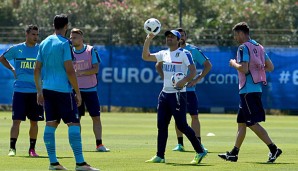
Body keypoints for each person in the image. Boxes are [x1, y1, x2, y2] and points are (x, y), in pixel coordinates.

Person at [34, 14, 99, 171]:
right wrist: (78, 92)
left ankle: (53, 163)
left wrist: (39, 91)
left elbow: (37, 69)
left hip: (47, 89)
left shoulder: (43, 43)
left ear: (53, 24)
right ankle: (80, 163)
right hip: (63, 90)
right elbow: (70, 70)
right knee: (73, 124)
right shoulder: (65, 44)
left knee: (50, 124)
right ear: (66, 26)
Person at [218, 22, 282, 163]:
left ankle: (273, 149)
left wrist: (233, 63)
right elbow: (270, 67)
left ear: (241, 34)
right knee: (241, 123)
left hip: (248, 90)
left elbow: (244, 69)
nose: (235, 38)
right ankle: (234, 153)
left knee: (251, 123)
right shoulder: (259, 46)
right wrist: (258, 68)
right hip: (255, 89)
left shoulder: (243, 47)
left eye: (236, 34)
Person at [142, 30, 207, 164]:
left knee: (182, 125)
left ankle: (200, 150)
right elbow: (146, 56)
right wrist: (148, 39)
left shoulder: (185, 53)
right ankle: (160, 155)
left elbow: (193, 70)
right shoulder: (164, 53)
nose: (169, 39)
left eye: (172, 37)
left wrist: (184, 81)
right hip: (164, 94)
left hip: (178, 94)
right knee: (161, 125)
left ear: (179, 40)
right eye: (167, 37)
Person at [156, 28, 212, 152]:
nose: (180, 37)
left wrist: (197, 79)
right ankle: (180, 144)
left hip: (188, 91)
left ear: (184, 38)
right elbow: (158, 65)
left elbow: (207, 65)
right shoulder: (168, 52)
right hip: (172, 91)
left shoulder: (191, 51)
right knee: (178, 119)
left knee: (194, 116)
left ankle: (199, 144)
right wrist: (166, 78)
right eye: (178, 35)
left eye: (182, 35)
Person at [0, 25, 44, 157]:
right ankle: (12, 148)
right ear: (27, 34)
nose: (35, 37)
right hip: (20, 91)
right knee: (16, 121)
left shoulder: (41, 50)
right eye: (33, 34)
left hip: (36, 91)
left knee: (34, 122)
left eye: (37, 35)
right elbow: (2, 58)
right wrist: (13, 69)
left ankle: (32, 149)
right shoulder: (17, 49)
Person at [70, 28, 109, 152]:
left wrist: (80, 72)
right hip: (75, 91)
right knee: (76, 119)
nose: (72, 40)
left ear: (81, 38)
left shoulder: (90, 50)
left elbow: (96, 69)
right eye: (71, 37)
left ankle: (99, 144)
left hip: (90, 90)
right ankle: (78, 145)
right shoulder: (68, 52)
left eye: (75, 37)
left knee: (96, 117)